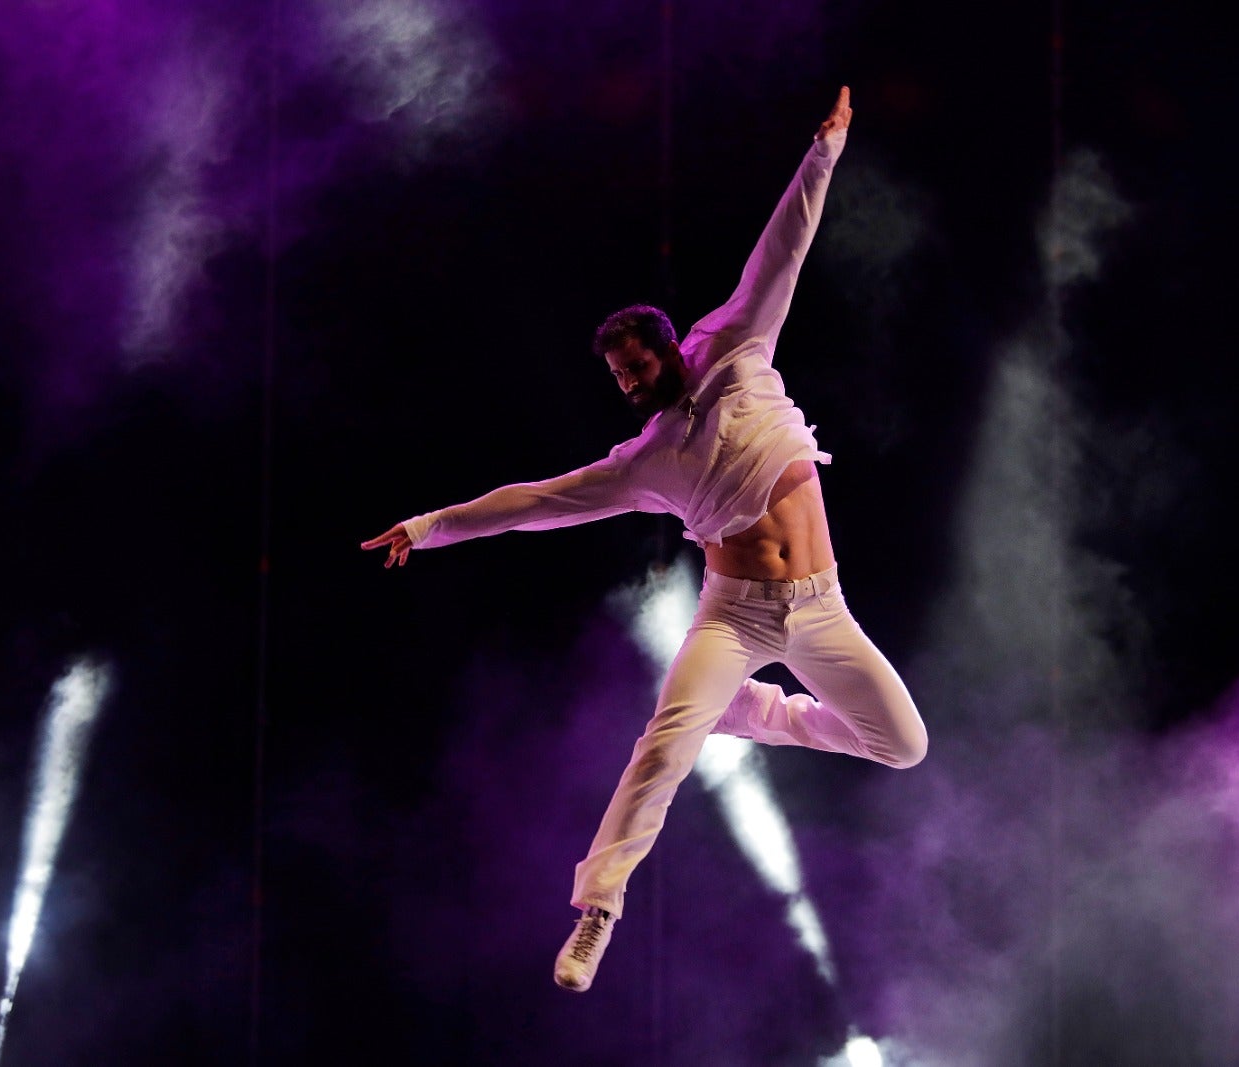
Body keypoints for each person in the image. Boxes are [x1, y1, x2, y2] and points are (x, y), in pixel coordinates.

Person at [362, 87, 927, 992]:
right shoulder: (644, 461)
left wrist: (823, 153)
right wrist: (429, 527)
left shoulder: (736, 347)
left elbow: (780, 253)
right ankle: (597, 908)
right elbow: (533, 501)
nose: (627, 384)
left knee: (902, 743)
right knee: (664, 745)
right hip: (736, 617)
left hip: (820, 609)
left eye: (635, 367)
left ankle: (752, 713)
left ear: (670, 350)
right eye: (618, 376)